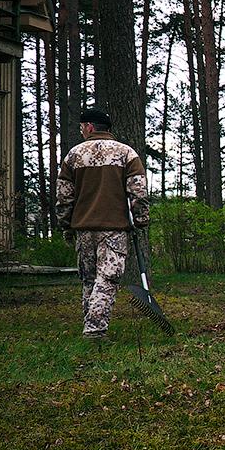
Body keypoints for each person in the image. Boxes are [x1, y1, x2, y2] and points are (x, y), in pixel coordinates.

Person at [55, 107, 149, 339]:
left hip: (84, 229)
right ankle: (95, 329)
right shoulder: (126, 154)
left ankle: (91, 324)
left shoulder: (73, 155)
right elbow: (138, 191)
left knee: (89, 280)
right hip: (114, 229)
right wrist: (141, 220)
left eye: (82, 127)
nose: (81, 131)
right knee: (107, 278)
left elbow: (64, 196)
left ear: (89, 127)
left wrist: (65, 224)